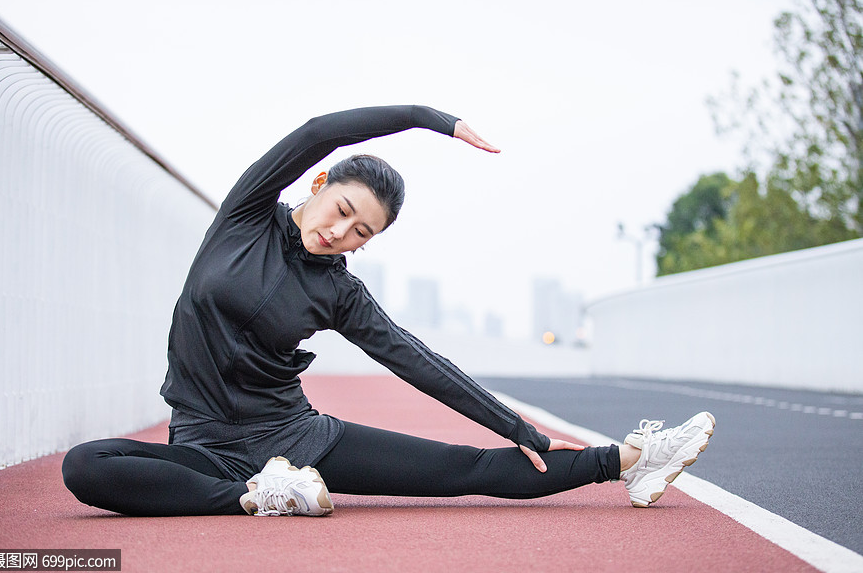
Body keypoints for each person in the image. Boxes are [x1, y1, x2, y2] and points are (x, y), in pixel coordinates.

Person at [62, 105, 714, 516]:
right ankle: (257, 496)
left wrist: (515, 425)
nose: (343, 233)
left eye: (362, 233)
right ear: (318, 187)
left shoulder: (338, 292)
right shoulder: (246, 218)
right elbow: (318, 132)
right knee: (85, 468)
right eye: (343, 211)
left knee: (468, 470)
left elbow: (417, 361)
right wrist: (430, 118)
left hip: (296, 441)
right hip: (205, 446)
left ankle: (632, 459)